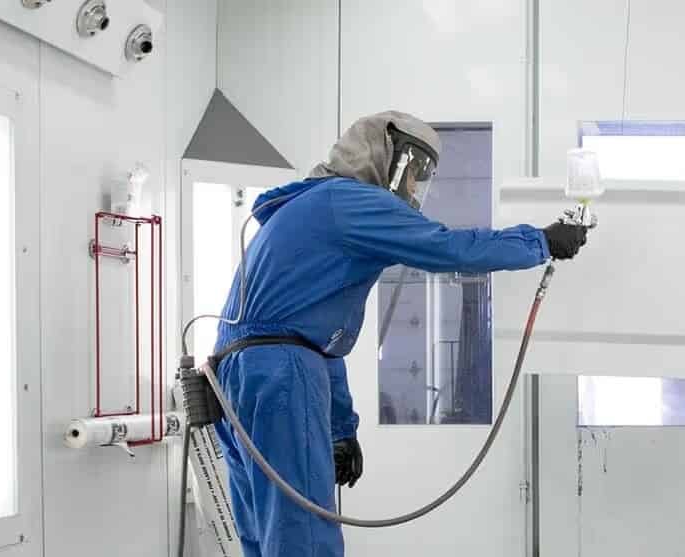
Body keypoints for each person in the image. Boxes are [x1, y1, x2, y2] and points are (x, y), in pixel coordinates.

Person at [208, 111, 588, 556]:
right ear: (384, 156)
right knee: (301, 536)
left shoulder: (308, 208)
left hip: (237, 373)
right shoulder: (349, 200)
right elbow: (448, 247)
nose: (414, 189)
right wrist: (540, 241)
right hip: (278, 374)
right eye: (414, 172)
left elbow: (318, 344)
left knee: (265, 534)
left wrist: (340, 430)